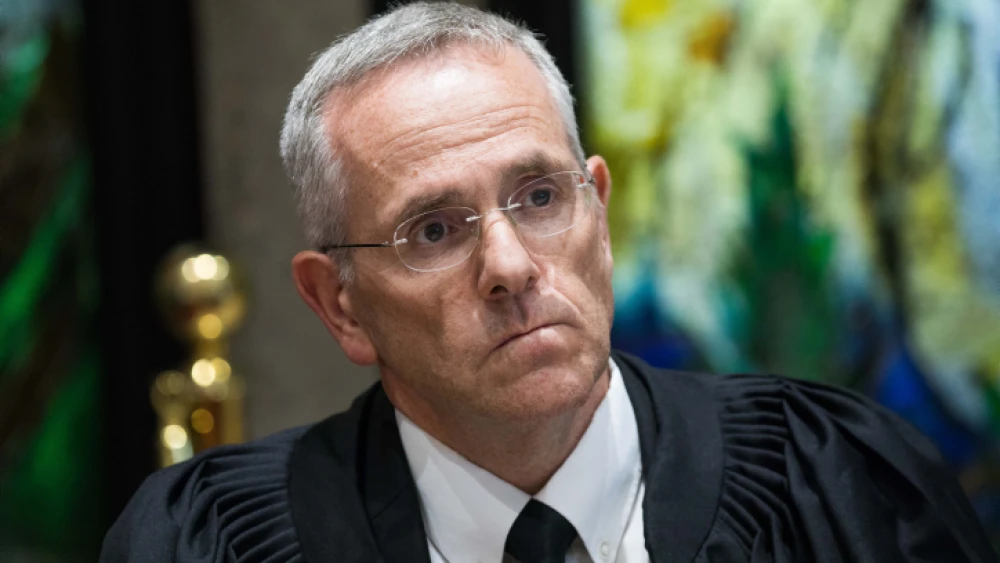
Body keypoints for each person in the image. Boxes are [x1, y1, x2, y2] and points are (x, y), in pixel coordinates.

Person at [100, 3, 997, 562]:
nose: (511, 266)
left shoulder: (838, 485)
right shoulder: (207, 543)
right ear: (340, 303)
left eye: (538, 196)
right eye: (434, 230)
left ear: (598, 211)